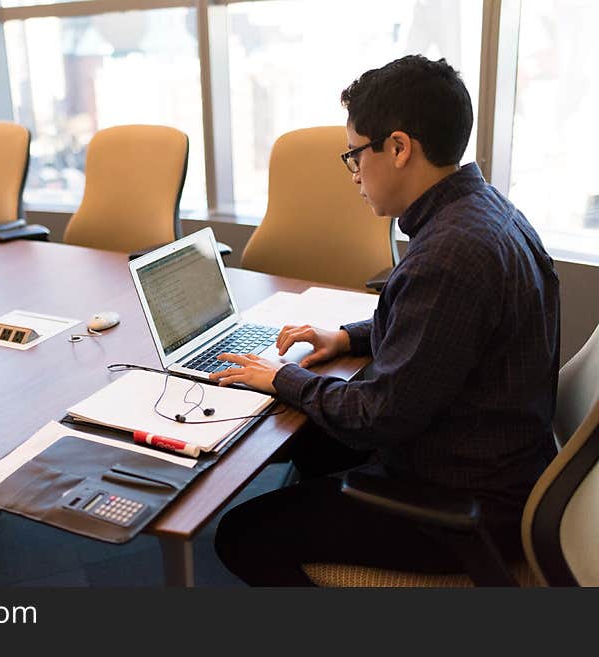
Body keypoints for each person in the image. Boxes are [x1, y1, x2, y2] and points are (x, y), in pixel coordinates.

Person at [209, 55, 560, 586]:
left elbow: (380, 416)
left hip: (460, 503)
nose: (353, 175)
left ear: (398, 148)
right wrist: (347, 336)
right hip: (496, 460)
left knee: (241, 533)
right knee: (306, 437)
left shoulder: (450, 254)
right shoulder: (483, 213)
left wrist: (283, 377)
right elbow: (444, 330)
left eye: (354, 155)